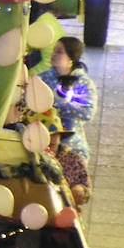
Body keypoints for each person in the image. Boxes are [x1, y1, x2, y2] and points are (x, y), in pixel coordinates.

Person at [38, 36, 97, 169]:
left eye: (59, 51)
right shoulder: (42, 79)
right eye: (54, 50)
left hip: (72, 146)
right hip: (44, 144)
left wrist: (54, 104)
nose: (53, 54)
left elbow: (87, 112)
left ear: (71, 58)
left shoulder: (82, 83)